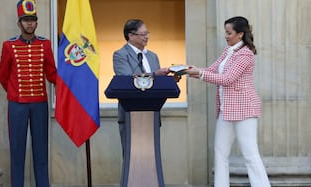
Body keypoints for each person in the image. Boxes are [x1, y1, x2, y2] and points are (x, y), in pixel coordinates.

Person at [185, 16, 271, 187]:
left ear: (240, 34)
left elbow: (227, 79)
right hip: (226, 110)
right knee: (220, 153)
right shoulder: (228, 50)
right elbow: (211, 70)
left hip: (244, 109)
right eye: (225, 32)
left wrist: (200, 74)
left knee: (250, 154)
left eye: (229, 32)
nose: (226, 36)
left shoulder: (246, 54)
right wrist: (186, 71)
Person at [0, 0, 56, 187]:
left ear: (36, 22)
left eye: (32, 20)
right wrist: (15, 93)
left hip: (40, 103)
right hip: (17, 105)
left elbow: (52, 74)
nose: (30, 24)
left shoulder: (45, 44)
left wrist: (73, 78)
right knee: (17, 152)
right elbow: (3, 76)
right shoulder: (9, 45)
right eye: (26, 20)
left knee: (41, 152)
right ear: (19, 23)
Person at [112, 19, 171, 156]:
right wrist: (154, 74)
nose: (147, 37)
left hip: (152, 113)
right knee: (132, 156)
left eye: (147, 33)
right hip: (130, 113)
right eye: (143, 34)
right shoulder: (120, 55)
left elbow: (155, 84)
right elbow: (127, 80)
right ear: (131, 36)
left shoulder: (152, 56)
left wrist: (167, 80)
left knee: (151, 156)